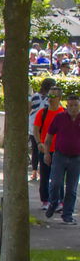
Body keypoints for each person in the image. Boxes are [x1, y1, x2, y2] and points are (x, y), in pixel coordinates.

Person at [43, 94, 80, 225]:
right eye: (71, 105)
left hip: (76, 158)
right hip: (60, 156)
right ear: (66, 106)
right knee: (55, 183)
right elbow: (49, 137)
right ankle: (54, 203)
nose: (73, 108)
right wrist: (46, 153)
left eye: (76, 105)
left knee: (71, 188)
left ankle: (67, 215)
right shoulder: (60, 118)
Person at [34, 85, 64, 210]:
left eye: (53, 96)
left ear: (59, 98)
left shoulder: (64, 113)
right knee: (44, 177)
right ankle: (45, 201)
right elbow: (36, 129)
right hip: (45, 150)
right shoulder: (42, 112)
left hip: (59, 151)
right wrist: (39, 143)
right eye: (49, 95)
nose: (50, 98)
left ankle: (59, 201)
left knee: (58, 178)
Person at [28, 78, 57, 184]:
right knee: (43, 149)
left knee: (35, 149)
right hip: (43, 126)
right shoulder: (50, 98)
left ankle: (34, 172)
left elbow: (28, 109)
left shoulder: (34, 96)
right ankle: (40, 171)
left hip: (33, 125)